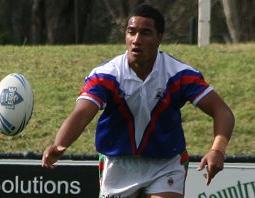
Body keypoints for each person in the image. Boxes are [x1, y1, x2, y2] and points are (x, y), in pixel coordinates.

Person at [42, 3, 235, 198]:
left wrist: (217, 150)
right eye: (131, 32)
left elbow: (222, 111)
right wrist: (60, 144)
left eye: (145, 33)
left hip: (166, 163)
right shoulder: (106, 75)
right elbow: (82, 113)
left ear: (159, 38)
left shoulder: (179, 75)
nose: (136, 40)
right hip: (118, 164)